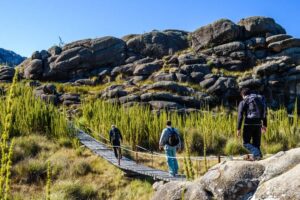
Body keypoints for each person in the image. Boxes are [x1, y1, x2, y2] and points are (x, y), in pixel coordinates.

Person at [237, 88, 267, 160]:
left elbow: (240, 115)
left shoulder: (244, 101)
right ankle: (257, 157)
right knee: (256, 144)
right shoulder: (259, 100)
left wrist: (238, 128)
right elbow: (265, 113)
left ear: (243, 95)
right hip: (258, 124)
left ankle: (257, 154)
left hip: (248, 124)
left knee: (246, 142)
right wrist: (264, 125)